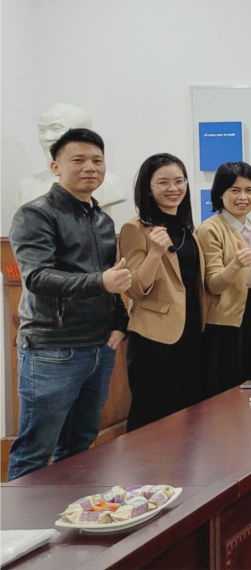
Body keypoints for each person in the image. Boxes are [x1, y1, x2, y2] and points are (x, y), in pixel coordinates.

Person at [7, 128, 130, 480]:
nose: (90, 167)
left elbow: (110, 276)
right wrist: (100, 281)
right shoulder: (35, 214)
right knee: (35, 451)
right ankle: (19, 519)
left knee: (79, 448)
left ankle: (70, 515)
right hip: (52, 349)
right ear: (55, 167)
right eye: (78, 160)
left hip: (98, 348)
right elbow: (37, 278)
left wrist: (120, 323)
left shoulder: (101, 219)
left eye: (97, 160)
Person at [119, 153, 207, 431]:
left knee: (188, 415)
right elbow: (135, 288)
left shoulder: (187, 228)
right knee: (152, 418)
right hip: (154, 337)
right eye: (164, 182)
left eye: (179, 181)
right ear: (148, 187)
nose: (173, 188)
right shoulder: (135, 228)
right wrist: (155, 253)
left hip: (191, 331)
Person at [197, 161, 251, 394]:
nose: (243, 197)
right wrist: (235, 265)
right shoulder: (210, 229)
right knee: (225, 388)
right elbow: (213, 284)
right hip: (224, 321)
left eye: (249, 190)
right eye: (234, 190)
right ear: (220, 193)